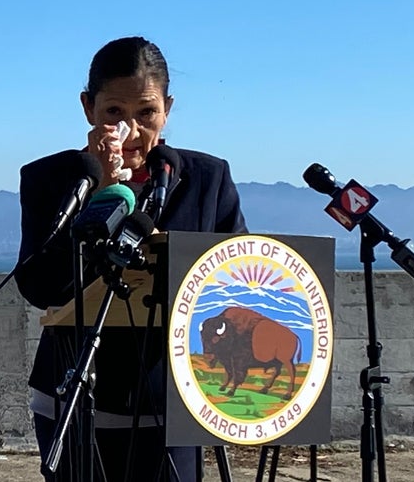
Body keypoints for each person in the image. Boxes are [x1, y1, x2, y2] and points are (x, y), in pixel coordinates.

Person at [14, 36, 248, 481]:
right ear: (88, 108)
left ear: (167, 108)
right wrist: (98, 195)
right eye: (113, 114)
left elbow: (236, 281)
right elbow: (40, 286)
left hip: (174, 399)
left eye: (147, 114)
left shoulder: (206, 179)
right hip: (76, 390)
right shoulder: (51, 179)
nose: (132, 131)